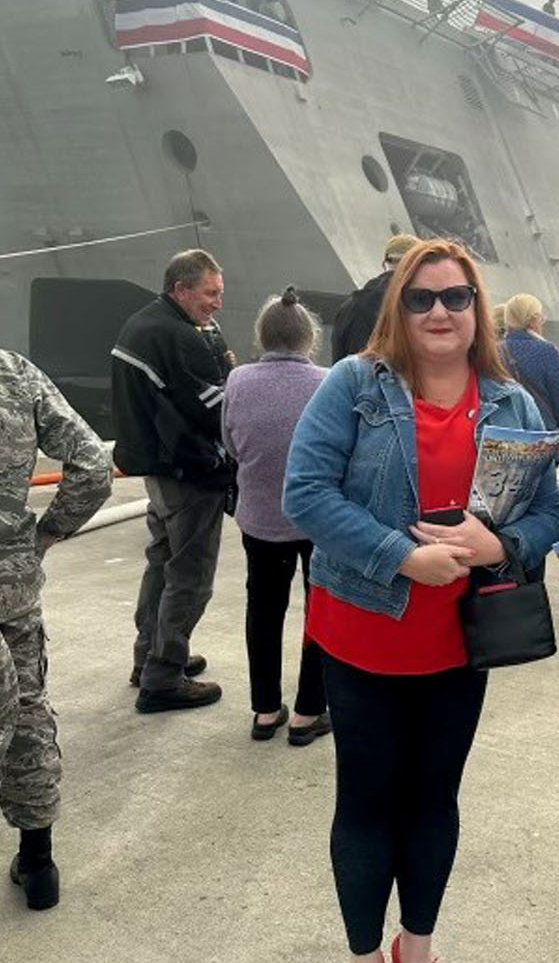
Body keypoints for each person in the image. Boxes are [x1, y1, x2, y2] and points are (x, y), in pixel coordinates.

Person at [283, 238, 559, 963]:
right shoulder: (354, 386)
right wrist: (399, 555)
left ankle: (420, 951)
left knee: (435, 798)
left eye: (455, 297)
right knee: (368, 800)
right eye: (421, 298)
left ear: (479, 309)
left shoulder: (512, 403)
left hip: (458, 644)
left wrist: (500, 549)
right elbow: (305, 490)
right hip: (365, 629)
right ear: (397, 309)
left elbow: (550, 512)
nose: (439, 312)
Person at [1, 351, 112, 909]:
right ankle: (39, 863)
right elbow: (93, 466)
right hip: (10, 584)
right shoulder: (14, 373)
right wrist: (46, 534)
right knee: (26, 710)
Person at [111, 249, 234, 712]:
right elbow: (214, 409)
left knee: (162, 561)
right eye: (210, 293)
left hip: (158, 469)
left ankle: (150, 657)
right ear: (181, 289)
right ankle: (164, 675)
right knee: (191, 574)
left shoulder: (143, 324)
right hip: (188, 472)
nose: (218, 303)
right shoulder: (178, 336)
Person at [221, 289, 330, 745]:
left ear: (261, 336)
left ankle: (265, 710)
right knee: (320, 610)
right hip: (320, 519)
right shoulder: (329, 381)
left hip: (260, 517)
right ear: (311, 338)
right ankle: (308, 711)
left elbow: (229, 442)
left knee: (263, 609)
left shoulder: (238, 380)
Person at [330, 234, 419, 364]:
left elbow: (337, 361)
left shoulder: (349, 306)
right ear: (418, 267)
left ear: (384, 264)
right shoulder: (420, 307)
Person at [501, 294, 559, 433]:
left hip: (504, 441)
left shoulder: (493, 352)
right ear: (534, 320)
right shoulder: (547, 351)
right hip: (540, 439)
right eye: (541, 318)